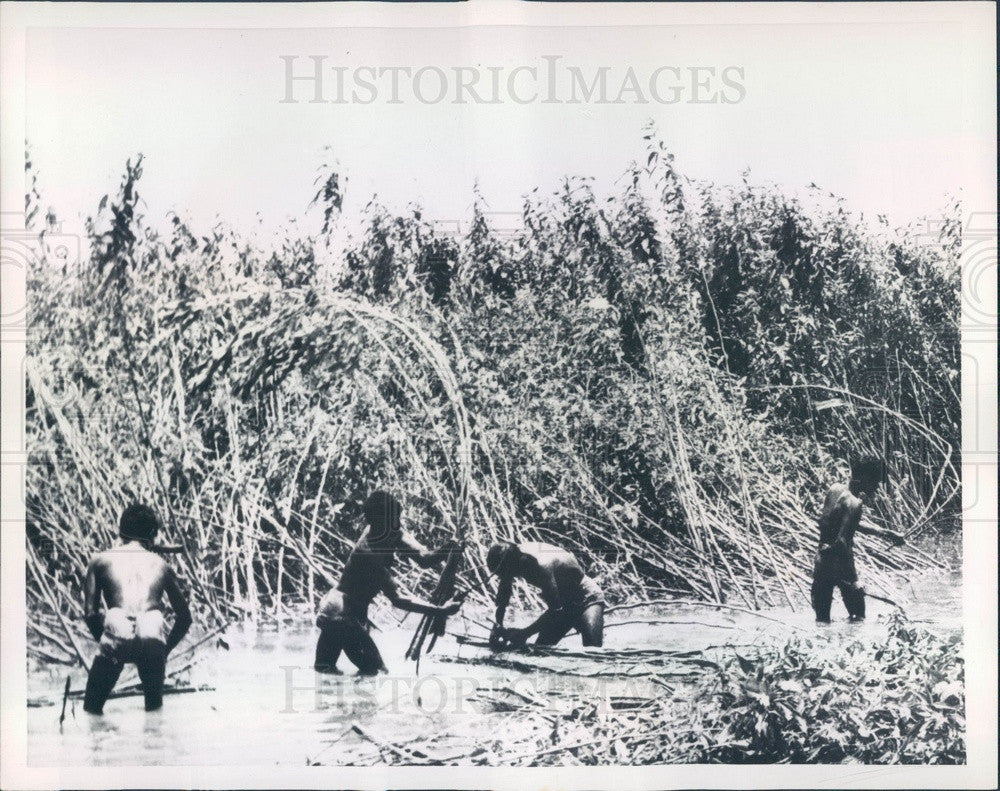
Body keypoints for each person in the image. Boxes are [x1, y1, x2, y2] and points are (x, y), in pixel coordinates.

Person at [314, 491, 464, 675]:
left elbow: (424, 559)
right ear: (380, 523)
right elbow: (398, 599)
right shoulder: (368, 554)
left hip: (338, 611)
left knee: (325, 673)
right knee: (375, 671)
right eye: (394, 520)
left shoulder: (390, 531)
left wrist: (449, 547)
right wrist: (441, 611)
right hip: (340, 616)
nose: (399, 525)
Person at [82, 504, 193, 714]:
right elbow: (185, 617)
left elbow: (90, 614)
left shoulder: (99, 560)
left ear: (120, 531)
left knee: (91, 712)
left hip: (117, 627)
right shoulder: (161, 564)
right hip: (152, 629)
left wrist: (110, 646)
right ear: (152, 534)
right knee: (154, 714)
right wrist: (164, 652)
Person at [811, 455, 905, 623]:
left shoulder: (835, 489)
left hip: (821, 563)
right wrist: (854, 580)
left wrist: (885, 533)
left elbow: (837, 524)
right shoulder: (855, 503)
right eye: (875, 483)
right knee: (858, 619)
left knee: (822, 622)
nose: (876, 488)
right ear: (865, 479)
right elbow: (842, 542)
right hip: (840, 567)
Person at [485, 541, 604, 648]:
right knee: (541, 651)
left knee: (592, 651)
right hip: (565, 605)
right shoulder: (512, 557)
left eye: (505, 573)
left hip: (587, 597)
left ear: (514, 564)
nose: (504, 577)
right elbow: (503, 599)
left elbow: (555, 611)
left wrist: (524, 633)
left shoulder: (541, 565)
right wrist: (498, 626)